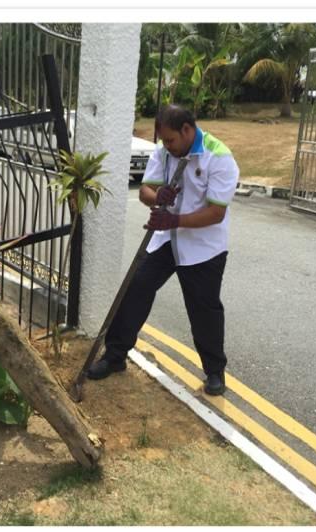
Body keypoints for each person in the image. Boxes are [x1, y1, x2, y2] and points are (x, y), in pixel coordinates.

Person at [87, 104, 239, 395]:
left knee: (203, 309)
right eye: (163, 141)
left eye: (170, 140)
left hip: (203, 248)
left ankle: (214, 371)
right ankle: (115, 356)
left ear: (186, 130)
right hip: (167, 240)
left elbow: (216, 213)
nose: (166, 146)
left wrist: (174, 218)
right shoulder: (164, 151)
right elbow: (145, 191)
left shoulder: (218, 157)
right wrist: (158, 197)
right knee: (136, 289)